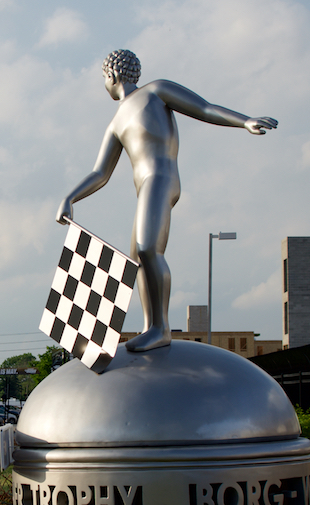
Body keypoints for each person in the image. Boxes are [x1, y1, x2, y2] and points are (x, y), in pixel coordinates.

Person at [57, 49, 277, 352]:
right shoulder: (116, 122)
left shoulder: (155, 91)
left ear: (111, 75)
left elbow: (204, 108)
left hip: (160, 179)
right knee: (137, 258)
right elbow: (100, 173)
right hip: (146, 187)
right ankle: (151, 326)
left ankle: (161, 327)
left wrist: (244, 121)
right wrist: (71, 197)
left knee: (149, 249)